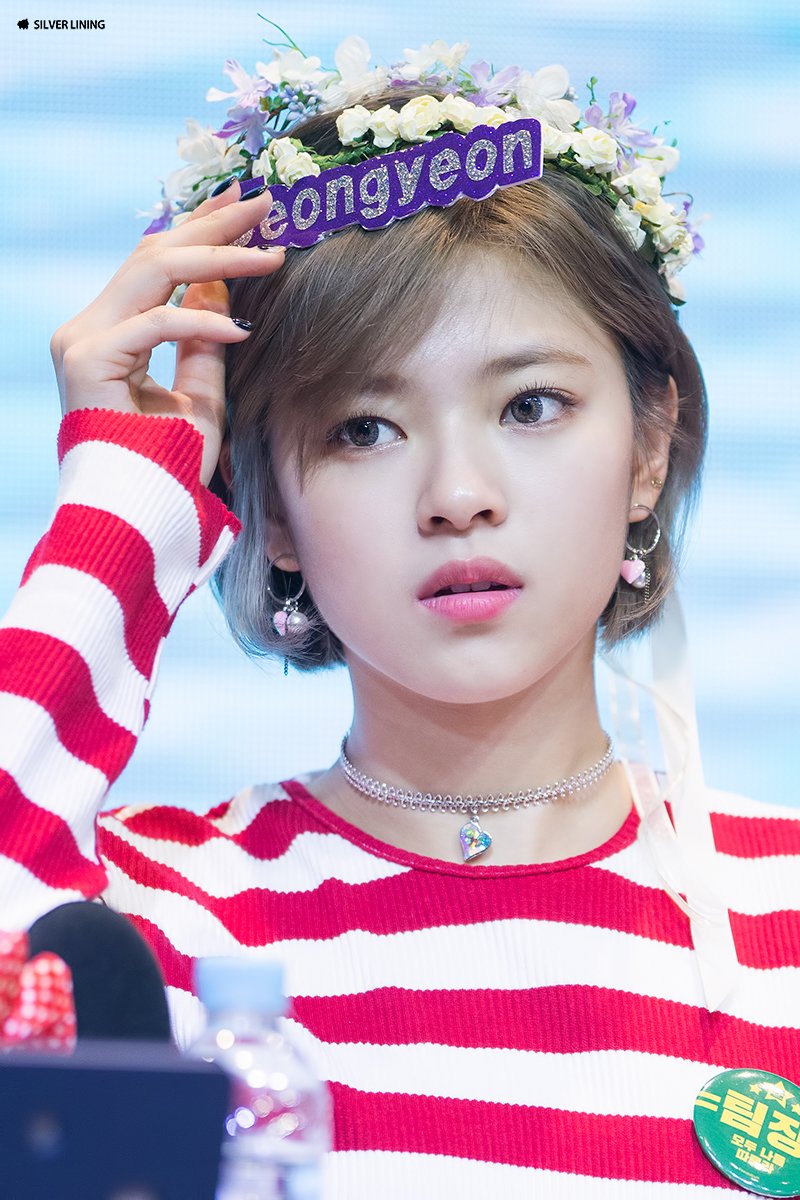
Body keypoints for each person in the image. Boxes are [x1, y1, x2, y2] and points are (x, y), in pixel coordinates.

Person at [2, 34, 800, 1197]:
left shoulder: (782, 910)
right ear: (271, 510)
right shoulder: (153, 916)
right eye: (362, 430)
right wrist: (126, 497)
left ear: (646, 447)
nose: (456, 495)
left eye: (530, 405)